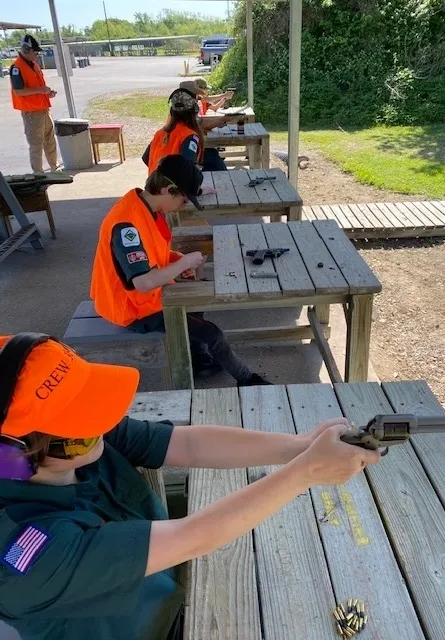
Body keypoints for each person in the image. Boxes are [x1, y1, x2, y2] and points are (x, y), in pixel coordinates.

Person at [0, 332, 381, 640]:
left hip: (168, 587)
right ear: (15, 455)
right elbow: (193, 536)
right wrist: (305, 471)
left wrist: (299, 447)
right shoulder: (25, 553)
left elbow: (185, 444)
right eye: (82, 427)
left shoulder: (64, 448)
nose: (100, 426)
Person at [90, 154, 269, 385]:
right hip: (130, 308)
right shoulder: (127, 225)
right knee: (212, 334)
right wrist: (182, 264)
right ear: (167, 190)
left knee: (197, 302)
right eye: (183, 199)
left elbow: (152, 253)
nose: (183, 205)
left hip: (145, 297)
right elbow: (143, 281)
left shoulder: (146, 208)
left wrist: (178, 259)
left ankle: (198, 359)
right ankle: (247, 379)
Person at [142, 88, 227, 175]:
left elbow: (145, 158)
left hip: (154, 186)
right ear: (194, 111)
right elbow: (189, 168)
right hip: (175, 187)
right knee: (214, 160)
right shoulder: (189, 136)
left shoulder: (160, 133)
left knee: (211, 156)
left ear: (172, 112)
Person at [9, 35, 58, 173]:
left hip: (43, 108)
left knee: (50, 140)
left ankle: (54, 168)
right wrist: (41, 90)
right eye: (34, 52)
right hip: (31, 112)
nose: (36, 55)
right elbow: (19, 91)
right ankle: (38, 173)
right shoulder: (16, 67)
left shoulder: (34, 65)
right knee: (36, 144)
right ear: (26, 50)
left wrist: (47, 93)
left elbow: (37, 86)